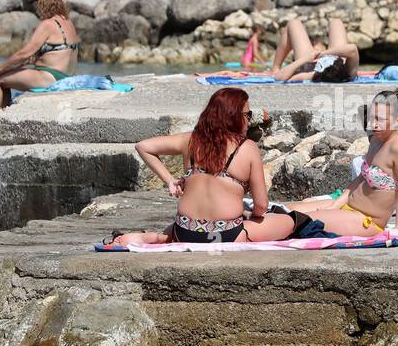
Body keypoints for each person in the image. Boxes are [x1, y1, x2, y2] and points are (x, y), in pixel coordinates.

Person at [111, 88, 292, 245]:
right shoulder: (248, 147)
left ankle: (155, 237)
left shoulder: (190, 140)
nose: (249, 120)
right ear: (234, 117)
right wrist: (248, 216)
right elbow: (261, 206)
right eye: (247, 115)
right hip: (226, 235)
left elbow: (143, 146)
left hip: (185, 233)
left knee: (183, 225)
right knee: (288, 222)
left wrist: (170, 181)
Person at [287, 89, 398, 237]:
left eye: (380, 119)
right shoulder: (376, 141)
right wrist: (335, 205)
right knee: (288, 209)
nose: (374, 124)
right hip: (348, 206)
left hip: (366, 221)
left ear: (396, 120)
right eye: (371, 118)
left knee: (296, 221)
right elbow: (360, 179)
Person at [0, 0, 79, 140]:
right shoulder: (68, 23)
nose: (37, 9)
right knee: (7, 79)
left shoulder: (48, 24)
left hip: (49, 77)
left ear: (43, 4)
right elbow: (55, 52)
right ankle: (2, 125)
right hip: (65, 76)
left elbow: (24, 53)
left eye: (38, 5)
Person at [271, 16, 359, 82]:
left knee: (293, 23)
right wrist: (322, 54)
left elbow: (278, 78)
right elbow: (352, 49)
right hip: (325, 64)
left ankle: (275, 67)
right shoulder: (348, 72)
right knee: (336, 22)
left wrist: (305, 59)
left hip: (310, 63)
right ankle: (276, 66)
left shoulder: (311, 74)